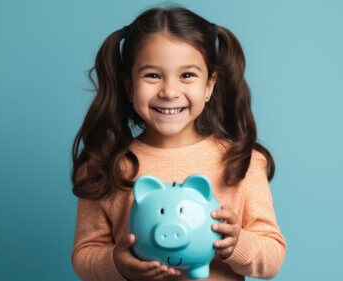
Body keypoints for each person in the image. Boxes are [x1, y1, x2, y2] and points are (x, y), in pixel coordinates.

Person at [70, 5, 286, 281]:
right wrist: (118, 264)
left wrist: (237, 243)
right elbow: (84, 256)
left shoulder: (243, 161)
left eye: (187, 75)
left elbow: (272, 259)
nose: (170, 92)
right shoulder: (106, 165)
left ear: (209, 86)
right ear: (129, 87)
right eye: (152, 75)